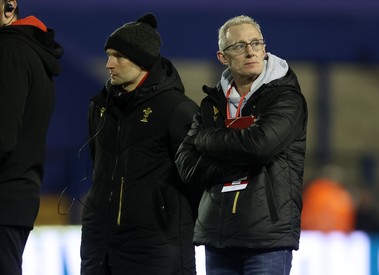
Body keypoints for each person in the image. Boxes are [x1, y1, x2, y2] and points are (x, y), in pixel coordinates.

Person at [175, 15, 308, 275]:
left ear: (264, 48)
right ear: (222, 57)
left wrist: (205, 139)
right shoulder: (213, 103)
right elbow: (186, 166)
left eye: (256, 43)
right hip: (218, 235)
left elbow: (259, 146)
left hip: (266, 237)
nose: (250, 51)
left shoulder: (285, 98)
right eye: (239, 46)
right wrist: (242, 155)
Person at [80, 13, 199, 275]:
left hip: (156, 246)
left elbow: (197, 179)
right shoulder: (100, 107)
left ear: (143, 61)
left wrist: (167, 219)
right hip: (100, 244)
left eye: (119, 56)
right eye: (109, 54)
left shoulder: (177, 109)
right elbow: (98, 165)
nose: (109, 64)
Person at [0, 0, 63, 274]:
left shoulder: (8, 50)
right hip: (16, 197)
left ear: (9, 7)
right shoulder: (28, 52)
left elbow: (3, 135)